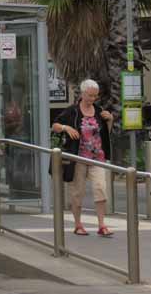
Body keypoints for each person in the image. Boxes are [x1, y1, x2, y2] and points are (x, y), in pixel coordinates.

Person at [52, 78, 114, 237]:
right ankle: (78, 224)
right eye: (90, 95)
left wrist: (110, 120)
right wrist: (66, 127)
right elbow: (55, 125)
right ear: (82, 93)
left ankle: (101, 224)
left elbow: (105, 133)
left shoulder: (99, 111)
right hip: (78, 157)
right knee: (77, 192)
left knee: (100, 188)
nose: (92, 99)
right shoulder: (72, 111)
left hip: (97, 157)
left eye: (95, 96)